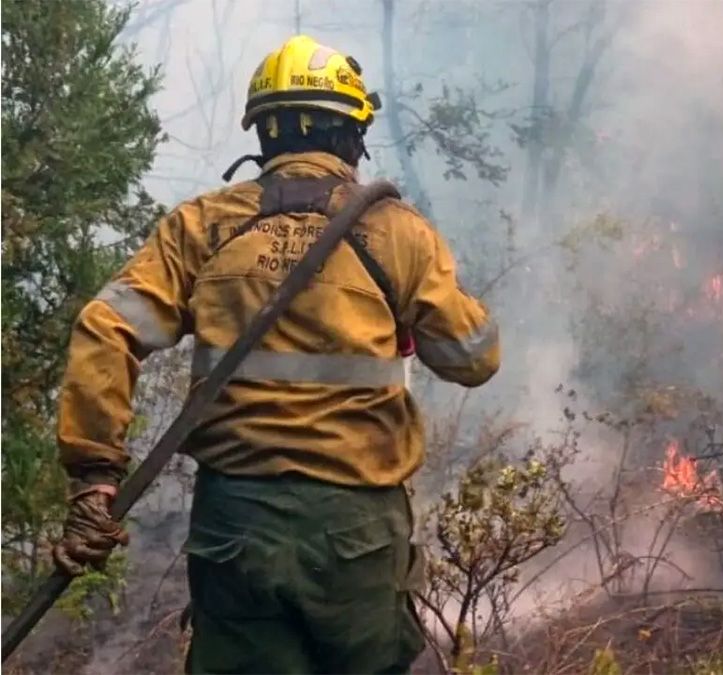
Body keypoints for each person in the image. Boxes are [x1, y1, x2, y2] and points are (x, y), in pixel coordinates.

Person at [51, 35, 499, 674]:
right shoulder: (398, 232)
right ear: (351, 135)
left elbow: (107, 327)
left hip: (236, 524)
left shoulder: (200, 226)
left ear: (264, 133)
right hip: (357, 529)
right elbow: (472, 359)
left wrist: (95, 476)